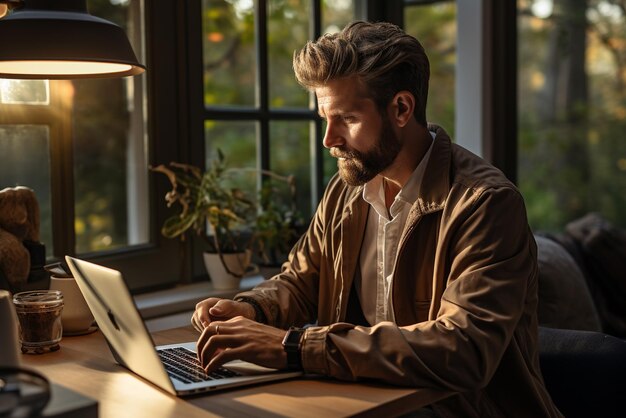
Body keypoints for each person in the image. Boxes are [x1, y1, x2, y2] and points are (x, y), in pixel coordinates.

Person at [192, 21, 562, 417]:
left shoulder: (485, 205)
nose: (328, 140)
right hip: (366, 406)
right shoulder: (347, 189)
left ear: (401, 108)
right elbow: (301, 280)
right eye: (325, 119)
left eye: (346, 119)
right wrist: (251, 309)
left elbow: (464, 349)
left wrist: (296, 347)